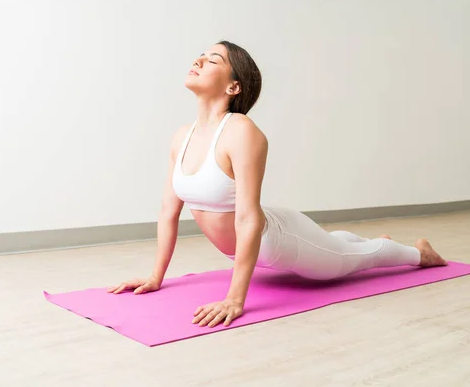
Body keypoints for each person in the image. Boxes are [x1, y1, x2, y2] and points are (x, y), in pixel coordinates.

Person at [107, 40, 447, 328]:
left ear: (233, 87)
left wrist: (234, 300)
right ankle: (362, 242)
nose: (198, 60)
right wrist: (155, 277)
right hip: (261, 236)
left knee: (349, 261)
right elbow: (168, 212)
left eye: (213, 60)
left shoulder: (241, 131)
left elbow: (248, 218)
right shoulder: (182, 136)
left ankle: (421, 255)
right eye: (200, 55)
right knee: (334, 244)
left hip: (279, 241)